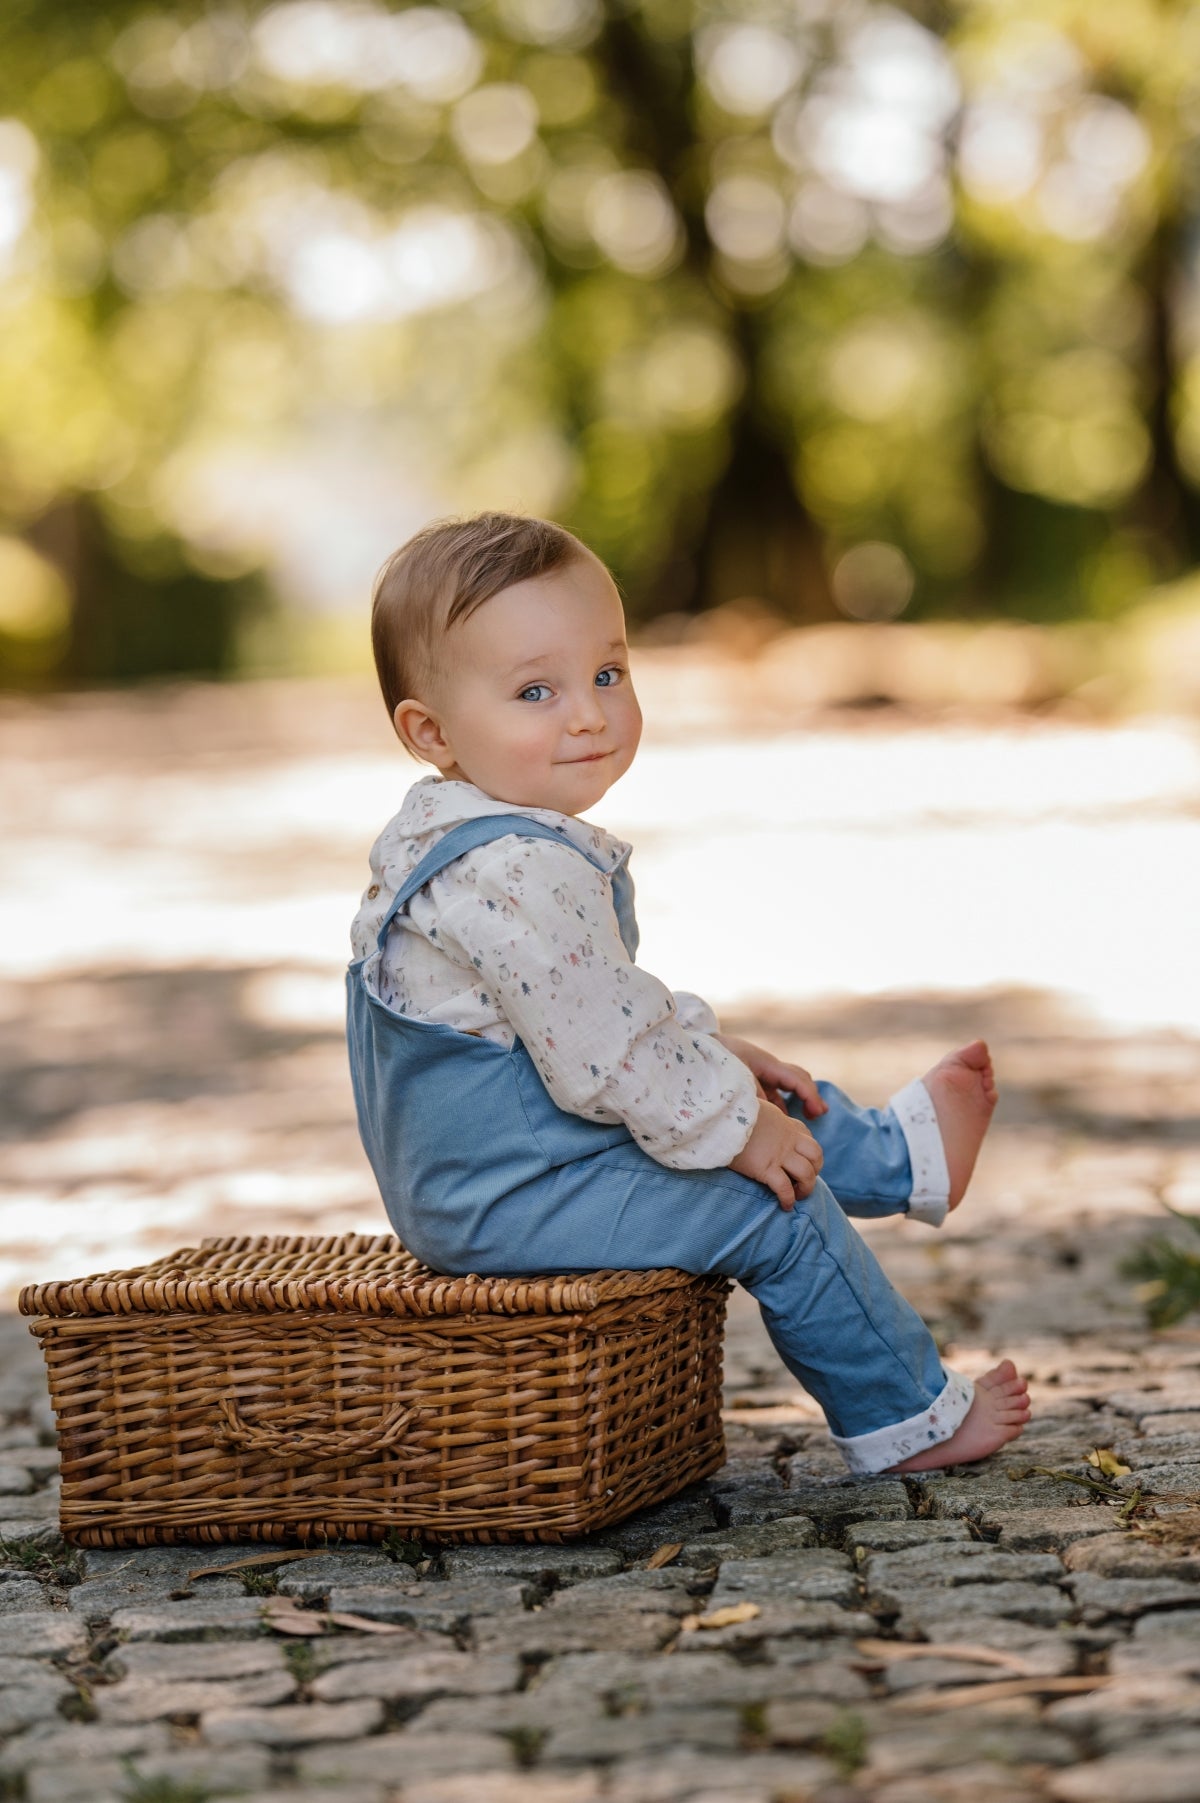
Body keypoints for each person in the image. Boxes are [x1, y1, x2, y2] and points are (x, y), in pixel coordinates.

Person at [347, 512, 1030, 1475]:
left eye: (608, 675)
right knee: (770, 1204)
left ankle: (902, 1156)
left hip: (514, 1157)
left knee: (729, 1096)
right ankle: (909, 1417)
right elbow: (612, 1059)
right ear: (432, 730)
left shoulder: (452, 831)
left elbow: (590, 1010)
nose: (586, 713)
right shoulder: (514, 868)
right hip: (505, 1197)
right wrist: (736, 1125)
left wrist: (718, 1064)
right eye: (535, 690)